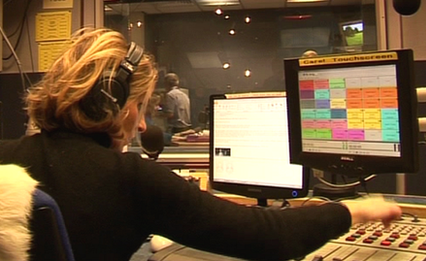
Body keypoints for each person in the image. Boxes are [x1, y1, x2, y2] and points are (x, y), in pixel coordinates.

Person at [0, 27, 401, 261]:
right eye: (141, 107)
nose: (142, 124)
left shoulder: (5, 158)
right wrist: (353, 209)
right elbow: (270, 235)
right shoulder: (129, 179)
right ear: (113, 103)